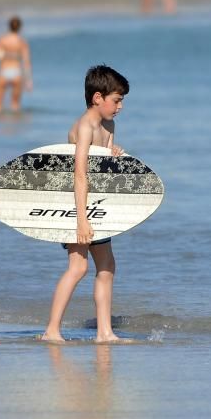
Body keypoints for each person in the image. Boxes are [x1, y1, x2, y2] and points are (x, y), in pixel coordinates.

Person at [42, 65, 129, 343]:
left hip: (97, 207)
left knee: (107, 266)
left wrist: (113, 153)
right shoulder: (85, 126)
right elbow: (79, 173)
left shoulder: (108, 126)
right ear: (97, 98)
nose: (120, 107)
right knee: (78, 268)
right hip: (77, 207)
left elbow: (101, 170)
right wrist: (81, 220)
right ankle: (51, 330)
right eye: (116, 100)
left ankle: (105, 332)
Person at [0, 16, 32, 113]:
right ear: (20, 27)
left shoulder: (2, 40)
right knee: (15, 106)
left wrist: (6, 54)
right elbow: (26, 62)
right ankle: (15, 127)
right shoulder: (22, 42)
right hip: (16, 72)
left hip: (3, 71)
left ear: (8, 26)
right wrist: (29, 80)